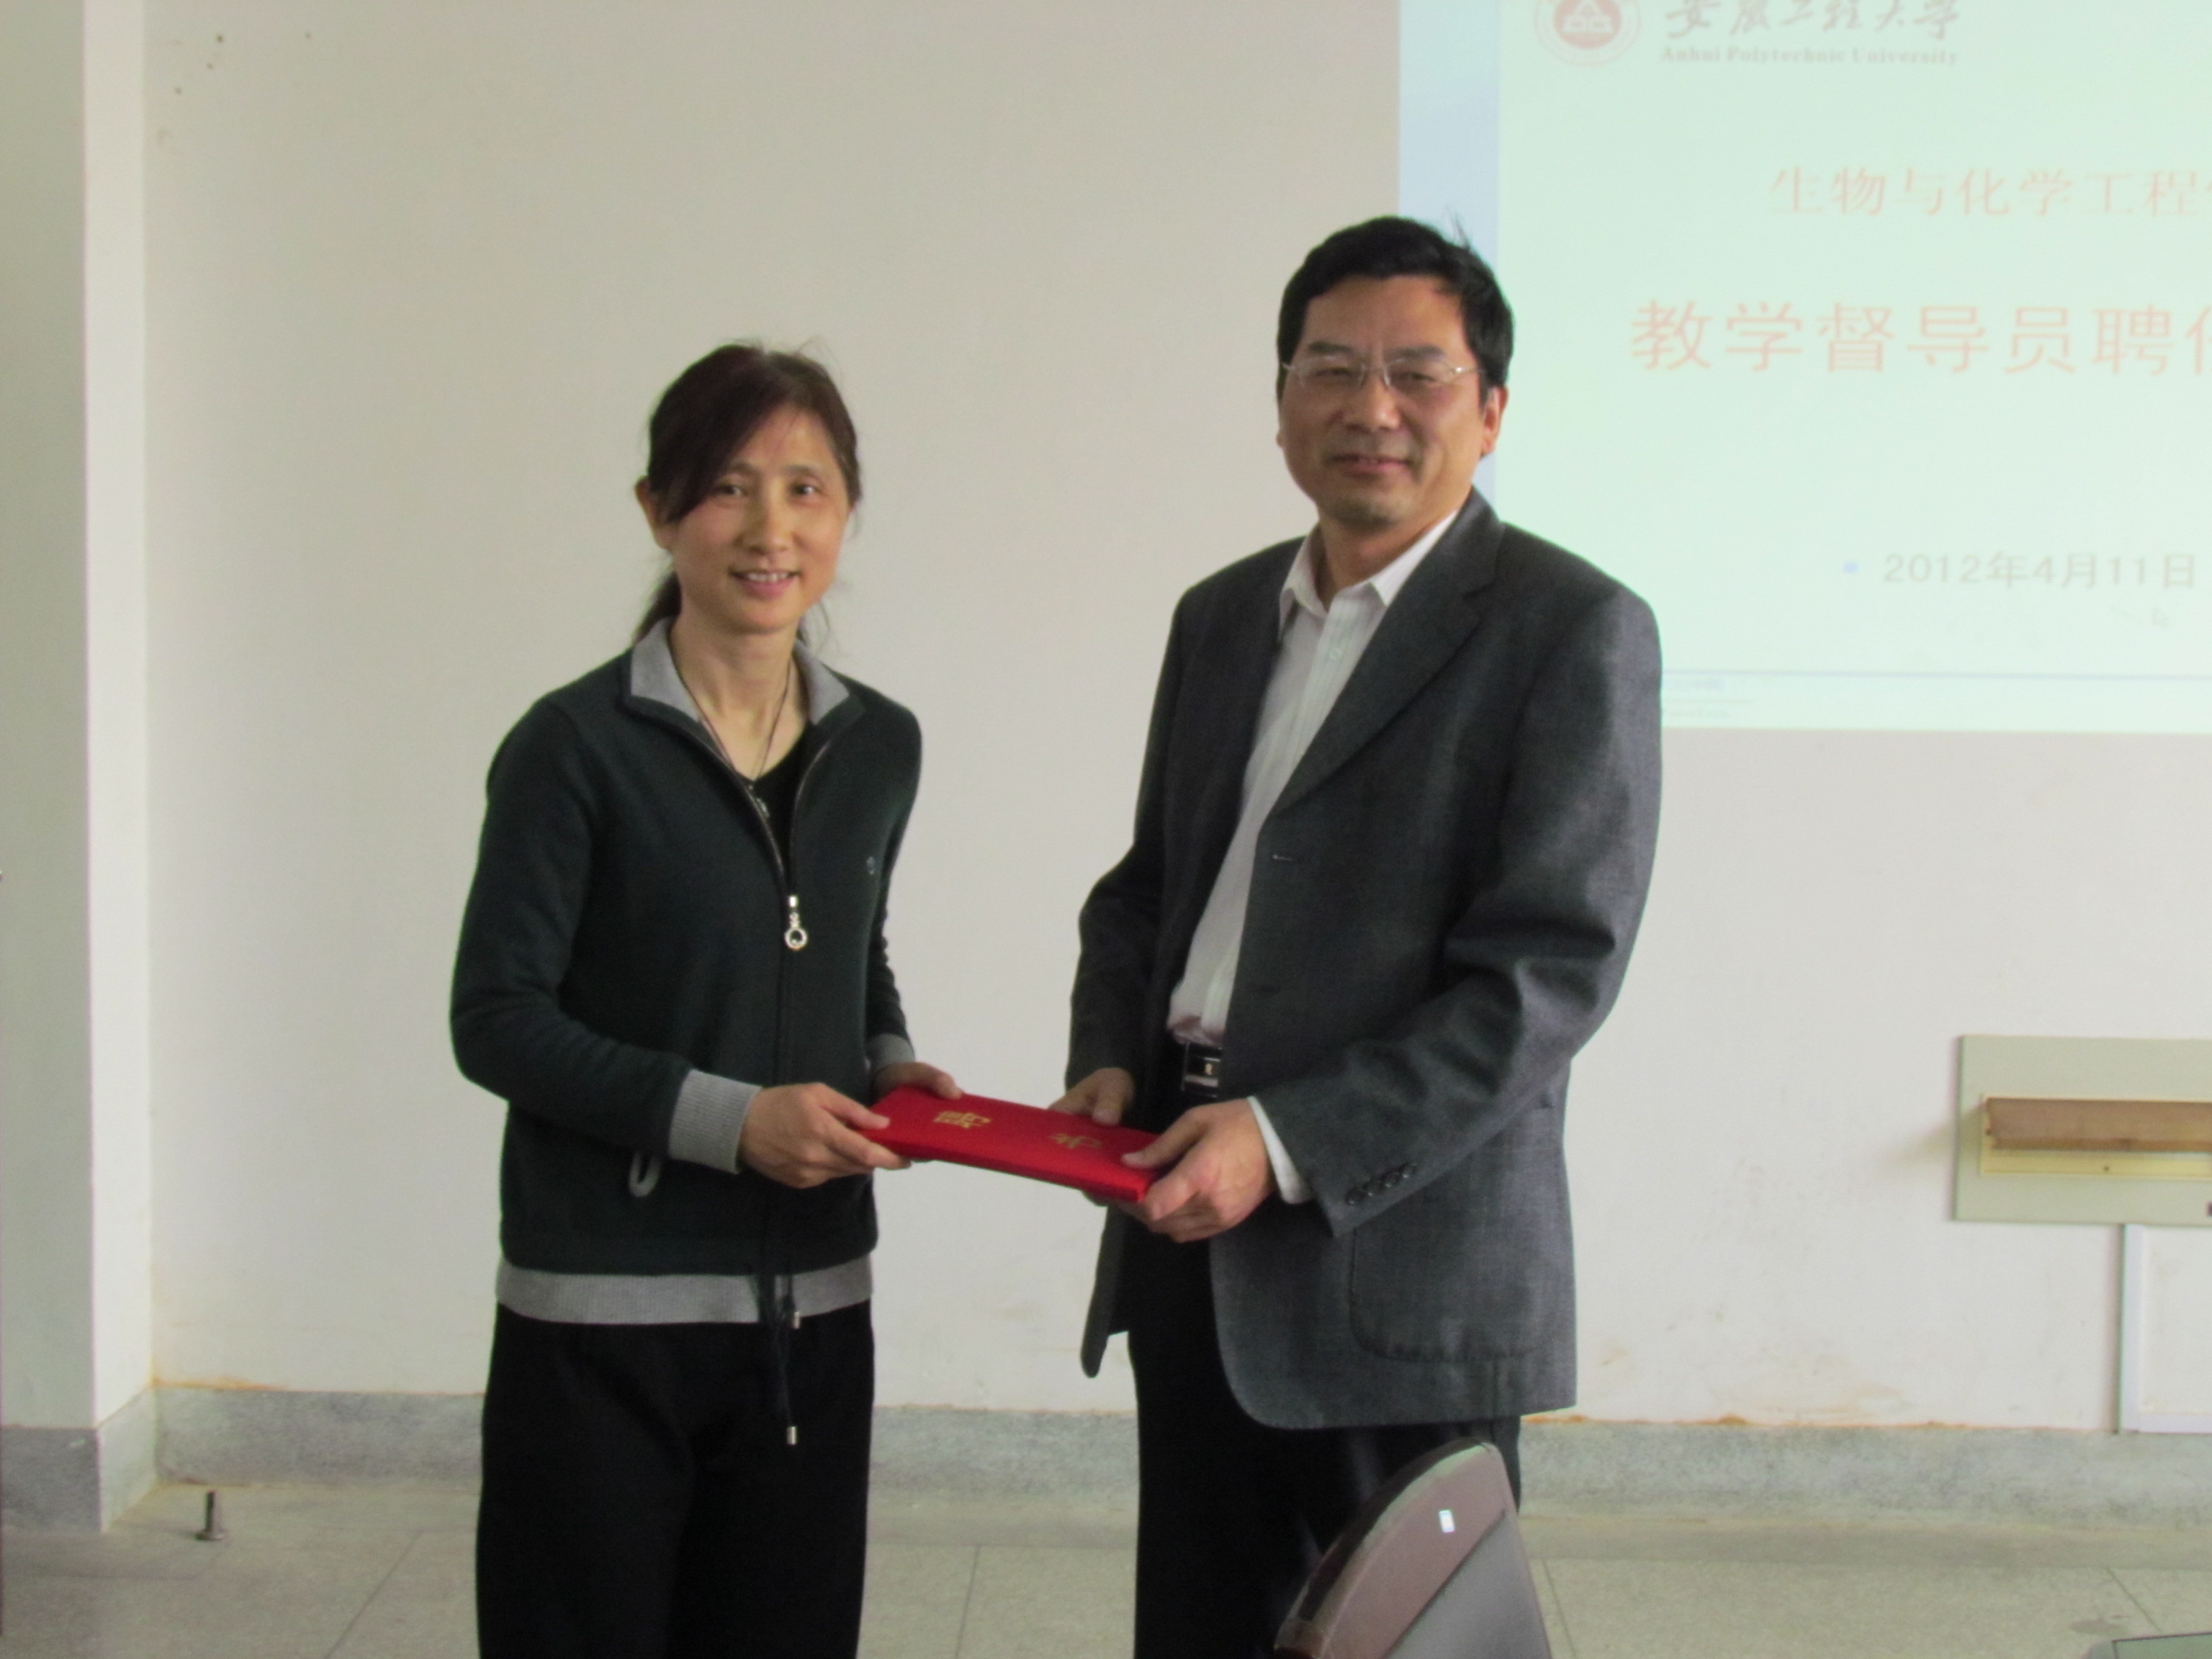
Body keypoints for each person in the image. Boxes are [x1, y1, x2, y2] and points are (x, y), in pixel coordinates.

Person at [1053, 217, 1663, 1658]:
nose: (1370, 407)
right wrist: (1111, 1059)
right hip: (1184, 1218)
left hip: (1399, 1259)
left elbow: (1545, 980)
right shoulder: (1223, 616)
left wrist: (1281, 1140)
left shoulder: (1570, 629)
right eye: (1330, 369)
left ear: (1490, 410)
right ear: (1281, 404)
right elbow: (1149, 890)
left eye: (1416, 373)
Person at [451, 343, 956, 1659]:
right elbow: (496, 1018)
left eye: (806, 488)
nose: (770, 528)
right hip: (603, 1319)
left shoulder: (880, 744)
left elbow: (849, 943)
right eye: (729, 488)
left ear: (846, 512)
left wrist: (890, 1060)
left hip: (814, 1307)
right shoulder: (570, 747)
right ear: (659, 510)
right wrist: (731, 1123)